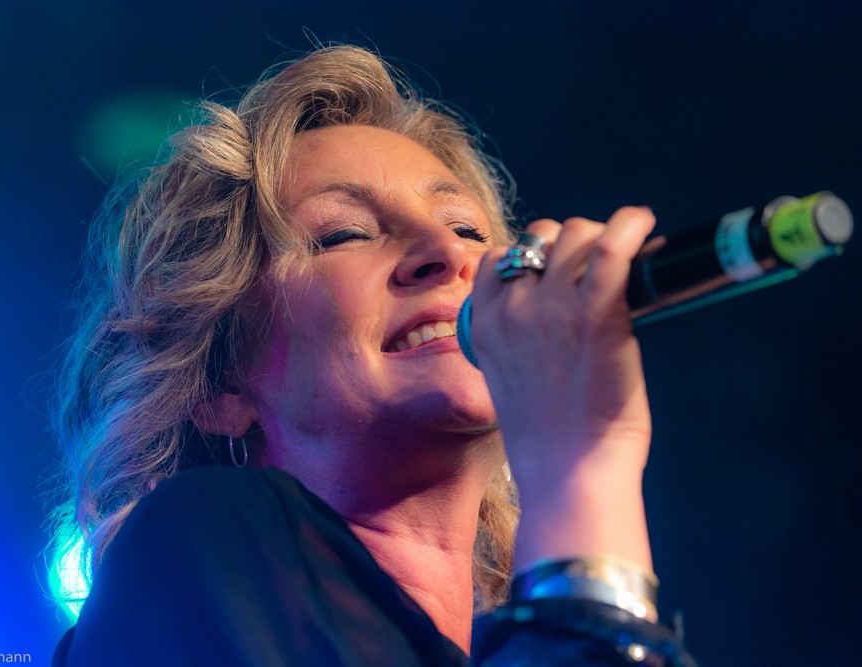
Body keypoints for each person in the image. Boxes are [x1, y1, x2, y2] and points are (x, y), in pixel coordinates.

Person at [49, 45, 697, 665]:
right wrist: (578, 472)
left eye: (467, 228)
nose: (447, 251)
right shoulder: (192, 538)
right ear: (220, 386)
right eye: (345, 234)